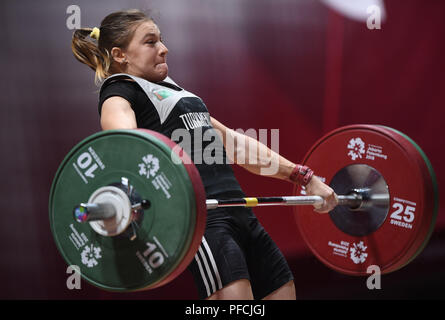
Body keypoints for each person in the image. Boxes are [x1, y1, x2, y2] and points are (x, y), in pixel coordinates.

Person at [71, 9, 338, 300]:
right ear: (120, 55)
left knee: (284, 294)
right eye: (150, 42)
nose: (164, 48)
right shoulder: (119, 91)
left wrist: (303, 176)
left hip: (240, 213)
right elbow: (127, 147)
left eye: (161, 40)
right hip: (204, 222)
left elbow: (235, 143)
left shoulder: (174, 93)